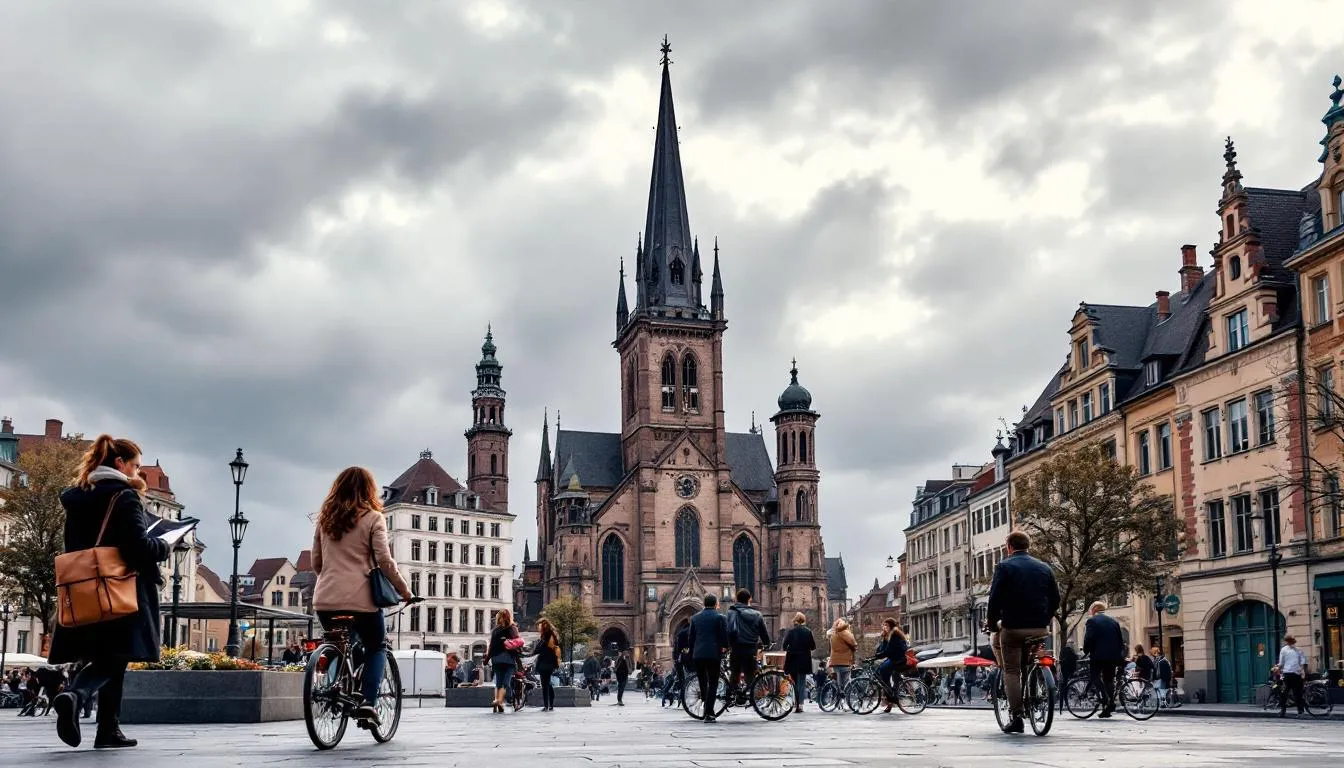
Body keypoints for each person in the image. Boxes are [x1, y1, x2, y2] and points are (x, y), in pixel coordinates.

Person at [50, 435, 172, 750]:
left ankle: (108, 729)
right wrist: (164, 545)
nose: (137, 474)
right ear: (119, 464)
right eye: (134, 466)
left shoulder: (78, 497)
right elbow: (137, 548)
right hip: (120, 587)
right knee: (117, 656)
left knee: (110, 655)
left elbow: (75, 546)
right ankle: (75, 695)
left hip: (84, 589)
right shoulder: (124, 497)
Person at [309, 466, 415, 727]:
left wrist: (333, 575)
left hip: (325, 600)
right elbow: (384, 561)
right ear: (369, 489)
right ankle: (367, 701)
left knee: (341, 642)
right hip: (362, 602)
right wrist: (405, 591)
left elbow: (316, 563)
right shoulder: (373, 518)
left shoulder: (324, 520)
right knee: (377, 646)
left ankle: (337, 685)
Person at [985, 529, 1060, 734]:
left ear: (1009, 547)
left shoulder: (1004, 566)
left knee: (1011, 670)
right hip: (1039, 626)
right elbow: (1056, 599)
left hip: (1013, 627)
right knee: (1028, 658)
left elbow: (995, 599)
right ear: (1028, 546)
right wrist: (1045, 618)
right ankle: (1036, 687)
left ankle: (1016, 716)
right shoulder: (1044, 567)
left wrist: (992, 623)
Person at [687, 594, 729, 723]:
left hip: (698, 655)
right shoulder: (720, 617)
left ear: (704, 603)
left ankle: (706, 709)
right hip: (713, 654)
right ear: (716, 603)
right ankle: (709, 713)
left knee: (703, 682)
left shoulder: (695, 618)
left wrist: (693, 650)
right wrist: (725, 647)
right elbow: (724, 636)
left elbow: (691, 638)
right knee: (713, 683)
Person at [1082, 601, 1125, 719]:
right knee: (1109, 680)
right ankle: (1109, 706)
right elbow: (1120, 641)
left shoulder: (1092, 621)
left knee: (1094, 676)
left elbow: (1088, 638)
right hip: (1113, 656)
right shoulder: (1114, 622)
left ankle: (1105, 697)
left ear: (1095, 609)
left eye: (1091, 610)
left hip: (1098, 656)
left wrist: (1085, 651)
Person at [726, 589, 770, 697]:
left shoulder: (731, 612)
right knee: (750, 674)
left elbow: (727, 630)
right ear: (749, 599)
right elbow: (763, 633)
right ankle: (751, 697)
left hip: (736, 647)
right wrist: (767, 644)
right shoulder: (757, 615)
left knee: (735, 673)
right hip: (751, 648)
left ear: (737, 599)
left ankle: (730, 696)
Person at [487, 609, 522, 713]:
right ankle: (499, 701)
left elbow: (491, 647)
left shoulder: (495, 631)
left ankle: (497, 702)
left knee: (498, 681)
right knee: (505, 682)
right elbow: (517, 642)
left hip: (496, 659)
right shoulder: (512, 628)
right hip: (508, 659)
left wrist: (487, 659)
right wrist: (519, 656)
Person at [873, 618, 910, 713]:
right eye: (883, 625)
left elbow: (888, 651)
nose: (884, 627)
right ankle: (890, 696)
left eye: (886, 625)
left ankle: (892, 697)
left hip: (899, 660)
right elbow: (882, 649)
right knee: (880, 672)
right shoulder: (888, 635)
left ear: (891, 626)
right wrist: (876, 656)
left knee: (883, 671)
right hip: (893, 659)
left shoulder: (895, 635)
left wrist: (878, 656)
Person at [781, 612, 816, 713]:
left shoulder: (791, 631)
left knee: (794, 682)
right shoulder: (808, 631)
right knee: (801, 682)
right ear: (803, 620)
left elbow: (784, 646)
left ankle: (795, 702)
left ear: (795, 620)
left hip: (792, 659)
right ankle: (800, 705)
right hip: (804, 659)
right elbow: (813, 646)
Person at [1277, 635, 1307, 717]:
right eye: (1289, 641)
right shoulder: (1285, 650)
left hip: (1294, 674)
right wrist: (1278, 668)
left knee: (1294, 693)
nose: (1289, 643)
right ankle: (1285, 711)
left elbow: (1302, 663)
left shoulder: (1298, 650)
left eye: (1290, 641)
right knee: (1287, 693)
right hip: (1290, 674)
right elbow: (1281, 663)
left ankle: (1298, 711)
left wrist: (1303, 672)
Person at [534, 618, 560, 711]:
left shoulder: (549, 636)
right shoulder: (545, 636)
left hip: (547, 663)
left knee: (545, 684)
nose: (538, 627)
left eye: (540, 626)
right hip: (546, 663)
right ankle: (549, 704)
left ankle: (547, 705)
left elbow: (545, 649)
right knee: (546, 683)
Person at [828, 618, 858, 693]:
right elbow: (854, 643)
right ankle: (846, 697)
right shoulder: (845, 632)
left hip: (835, 661)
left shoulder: (833, 634)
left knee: (838, 682)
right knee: (846, 682)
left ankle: (838, 699)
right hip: (845, 662)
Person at [665, 623, 691, 707]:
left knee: (680, 679)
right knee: (689, 676)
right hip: (688, 658)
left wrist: (676, 658)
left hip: (679, 659)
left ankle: (676, 693)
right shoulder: (689, 632)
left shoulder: (680, 633)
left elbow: (677, 649)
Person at [1058, 641, 1078, 713]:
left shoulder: (1063, 650)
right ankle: (1065, 703)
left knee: (1064, 686)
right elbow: (1076, 658)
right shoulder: (1071, 651)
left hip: (1064, 670)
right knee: (1066, 686)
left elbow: (1060, 660)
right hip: (1070, 670)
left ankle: (1062, 705)